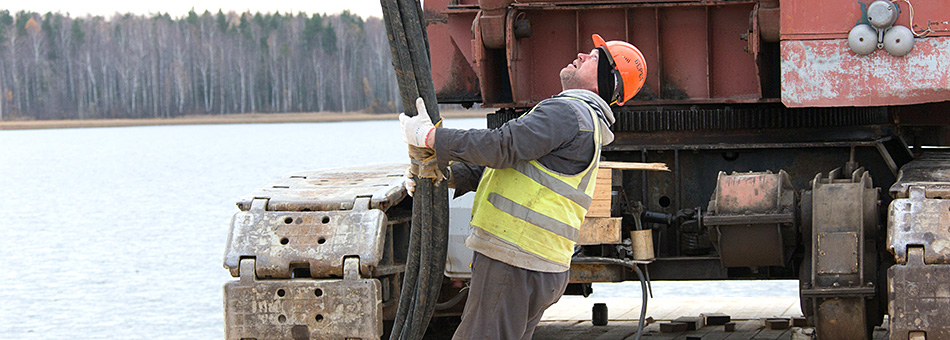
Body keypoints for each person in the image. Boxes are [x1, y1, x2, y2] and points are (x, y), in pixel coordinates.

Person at [400, 34, 646, 339]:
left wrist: (431, 138)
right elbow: (509, 164)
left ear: (604, 81)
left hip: (515, 259)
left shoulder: (567, 113)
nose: (582, 55)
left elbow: (500, 146)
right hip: (535, 265)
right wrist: (443, 174)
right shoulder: (581, 120)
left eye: (594, 57)